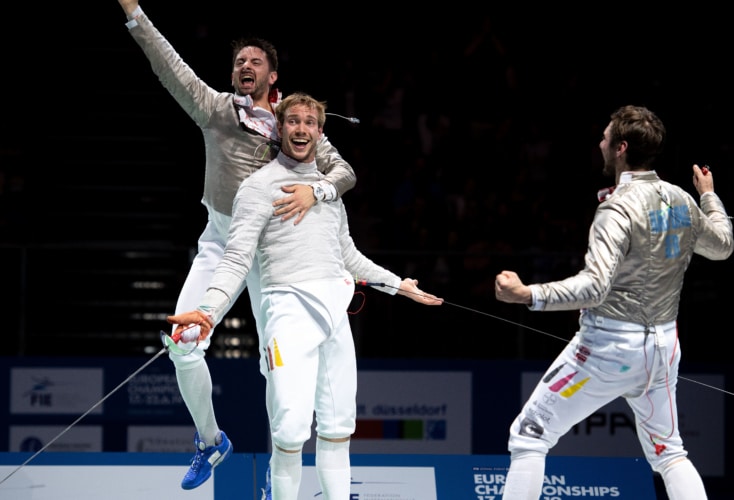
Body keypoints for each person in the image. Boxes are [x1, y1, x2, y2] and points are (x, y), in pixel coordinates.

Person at [117, 0, 357, 490]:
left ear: (273, 76)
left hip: (276, 256)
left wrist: (317, 190)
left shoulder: (295, 122)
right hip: (222, 242)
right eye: (239, 61)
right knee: (183, 343)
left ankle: (280, 468)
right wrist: (134, 12)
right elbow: (170, 66)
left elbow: (344, 172)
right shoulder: (216, 110)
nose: (244, 66)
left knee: (280, 370)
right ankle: (210, 441)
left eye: (255, 61)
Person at [168, 92, 443, 500]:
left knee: (336, 428)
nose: (300, 129)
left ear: (320, 130)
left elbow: (347, 255)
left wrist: (398, 284)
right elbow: (236, 258)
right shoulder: (257, 188)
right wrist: (207, 309)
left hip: (334, 316)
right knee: (292, 429)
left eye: (309, 122)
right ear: (280, 128)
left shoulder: (328, 192)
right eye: (292, 121)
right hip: (287, 315)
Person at [494, 104, 733, 500]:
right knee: (670, 452)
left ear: (621, 148)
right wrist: (708, 197)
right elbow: (722, 246)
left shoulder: (616, 208)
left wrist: (527, 294)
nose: (600, 142)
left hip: (607, 350)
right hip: (663, 347)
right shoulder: (681, 200)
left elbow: (594, 288)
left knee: (529, 435)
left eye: (605, 137)